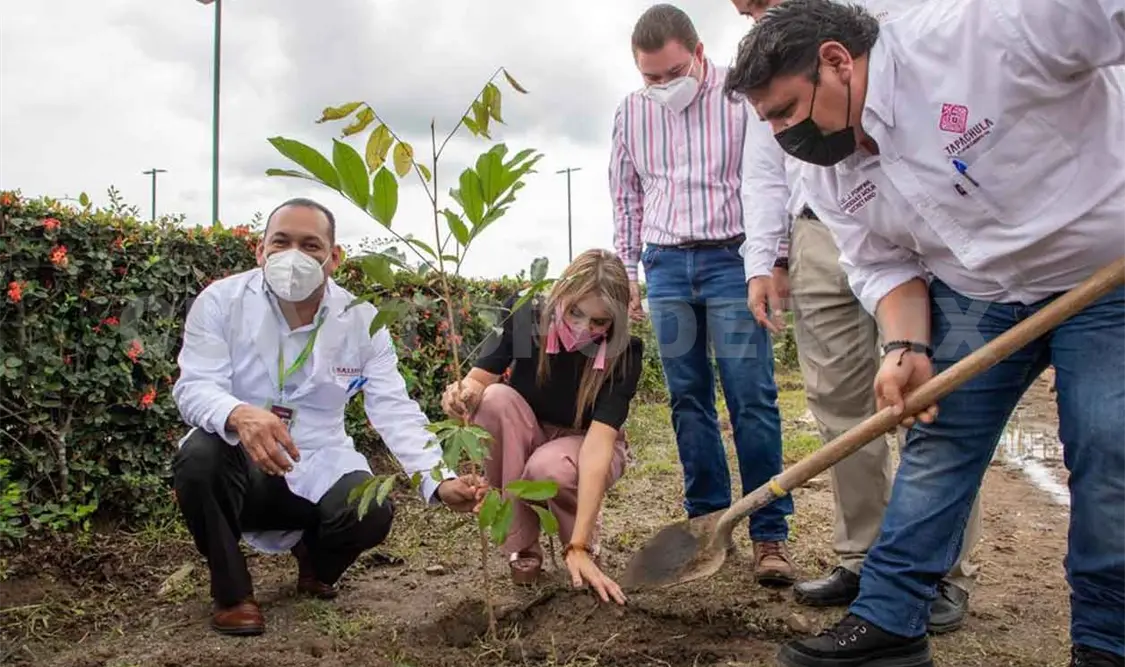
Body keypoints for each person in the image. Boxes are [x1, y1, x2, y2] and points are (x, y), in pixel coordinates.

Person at [724, 0, 1125, 665]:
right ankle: (889, 621)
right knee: (936, 441)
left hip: (1103, 275)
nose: (779, 134)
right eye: (767, 120)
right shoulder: (823, 165)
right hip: (979, 292)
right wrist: (904, 347)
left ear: (835, 61)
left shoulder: (980, 34)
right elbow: (882, 262)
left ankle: (1106, 640)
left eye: (785, 111)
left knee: (1107, 447)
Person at [725, 0, 980, 634]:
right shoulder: (767, 66)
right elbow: (764, 167)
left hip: (912, 220)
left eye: (759, 3)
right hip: (821, 230)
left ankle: (938, 571)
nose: (755, 15)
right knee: (840, 402)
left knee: (932, 395)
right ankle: (864, 556)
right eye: (744, 9)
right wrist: (765, 257)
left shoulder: (874, 28)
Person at [171, 198, 484, 637]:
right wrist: (239, 414)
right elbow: (194, 386)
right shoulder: (222, 302)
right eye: (280, 242)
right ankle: (232, 594)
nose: (293, 256)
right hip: (242, 462)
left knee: (372, 509)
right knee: (200, 459)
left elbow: (392, 407)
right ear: (260, 251)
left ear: (334, 257)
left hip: (319, 458)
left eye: (310, 245)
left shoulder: (360, 321)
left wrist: (440, 478)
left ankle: (315, 562)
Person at [609, 2, 796, 587]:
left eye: (672, 73)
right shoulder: (631, 114)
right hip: (665, 265)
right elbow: (627, 198)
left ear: (698, 54)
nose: (663, 86)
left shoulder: (740, 101)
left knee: (751, 397)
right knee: (688, 399)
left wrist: (773, 259)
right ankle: (706, 523)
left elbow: (771, 181)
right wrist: (628, 272)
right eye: (651, 78)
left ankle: (770, 534)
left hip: (731, 260)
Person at [440, 249, 643, 605]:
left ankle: (579, 550)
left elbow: (597, 448)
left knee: (548, 468)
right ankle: (522, 544)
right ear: (561, 294)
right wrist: (462, 394)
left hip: (583, 445)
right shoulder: (525, 317)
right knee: (495, 399)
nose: (583, 328)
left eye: (599, 322)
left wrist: (579, 543)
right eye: (576, 312)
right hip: (528, 430)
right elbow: (478, 382)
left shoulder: (624, 352)